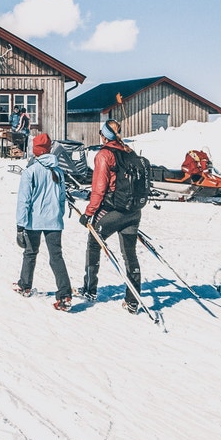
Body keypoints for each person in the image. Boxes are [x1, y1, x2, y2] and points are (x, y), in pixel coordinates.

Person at [77, 119, 144, 313]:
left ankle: (90, 289)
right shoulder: (129, 152)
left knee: (94, 241)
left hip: (114, 210)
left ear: (104, 135)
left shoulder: (104, 155)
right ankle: (133, 300)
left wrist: (88, 213)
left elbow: (99, 188)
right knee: (129, 254)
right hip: (133, 211)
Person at [14, 132, 71, 301]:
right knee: (56, 257)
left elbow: (24, 200)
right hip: (54, 221)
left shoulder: (30, 171)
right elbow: (62, 197)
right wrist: (58, 214)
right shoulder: (58, 171)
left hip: (34, 221)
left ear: (36, 150)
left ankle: (25, 285)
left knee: (30, 253)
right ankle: (65, 294)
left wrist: (20, 225)